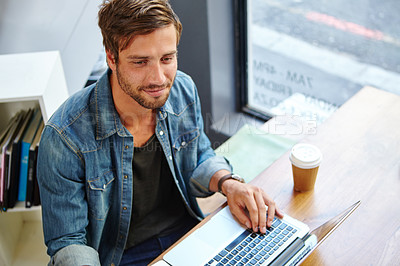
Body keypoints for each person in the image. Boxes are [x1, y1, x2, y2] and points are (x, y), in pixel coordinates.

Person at [37, 0, 284, 265]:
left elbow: (198, 155)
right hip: (119, 257)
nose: (158, 78)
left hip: (189, 234)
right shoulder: (64, 137)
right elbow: (69, 243)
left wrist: (230, 183)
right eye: (140, 62)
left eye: (167, 58)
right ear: (111, 57)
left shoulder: (182, 89)